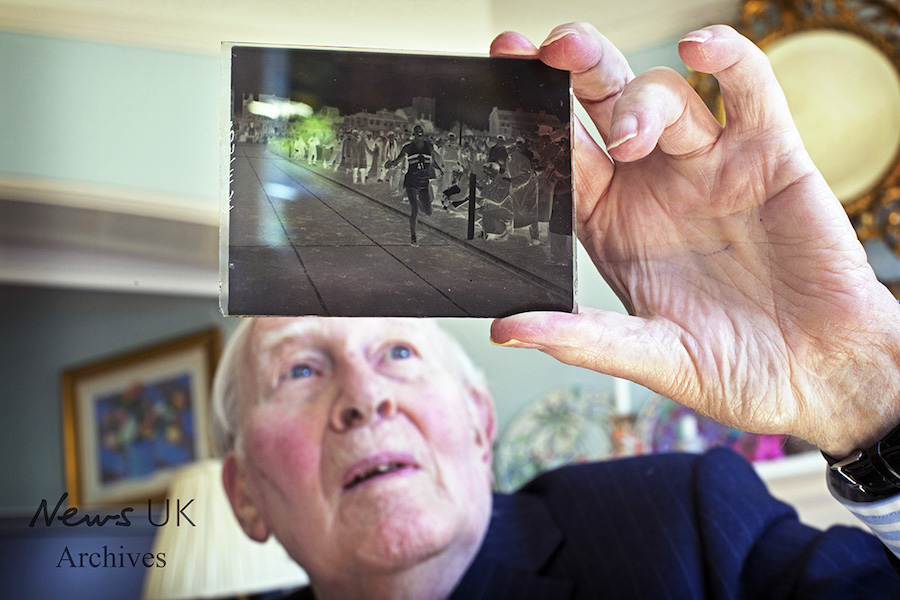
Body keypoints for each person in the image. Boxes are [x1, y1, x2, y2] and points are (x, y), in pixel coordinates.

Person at [215, 22, 900, 599]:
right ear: (243, 492)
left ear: (481, 423)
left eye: (399, 353)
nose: (366, 400)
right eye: (298, 371)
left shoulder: (682, 521)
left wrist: (857, 393)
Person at [384, 124, 444, 245]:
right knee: (414, 210)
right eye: (417, 132)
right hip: (411, 181)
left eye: (421, 132)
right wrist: (389, 164)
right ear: (414, 134)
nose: (419, 134)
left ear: (424, 133)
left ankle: (419, 200)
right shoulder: (408, 147)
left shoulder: (429, 146)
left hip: (423, 182)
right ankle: (413, 237)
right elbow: (396, 161)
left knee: (428, 212)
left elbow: (432, 162)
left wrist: (440, 169)